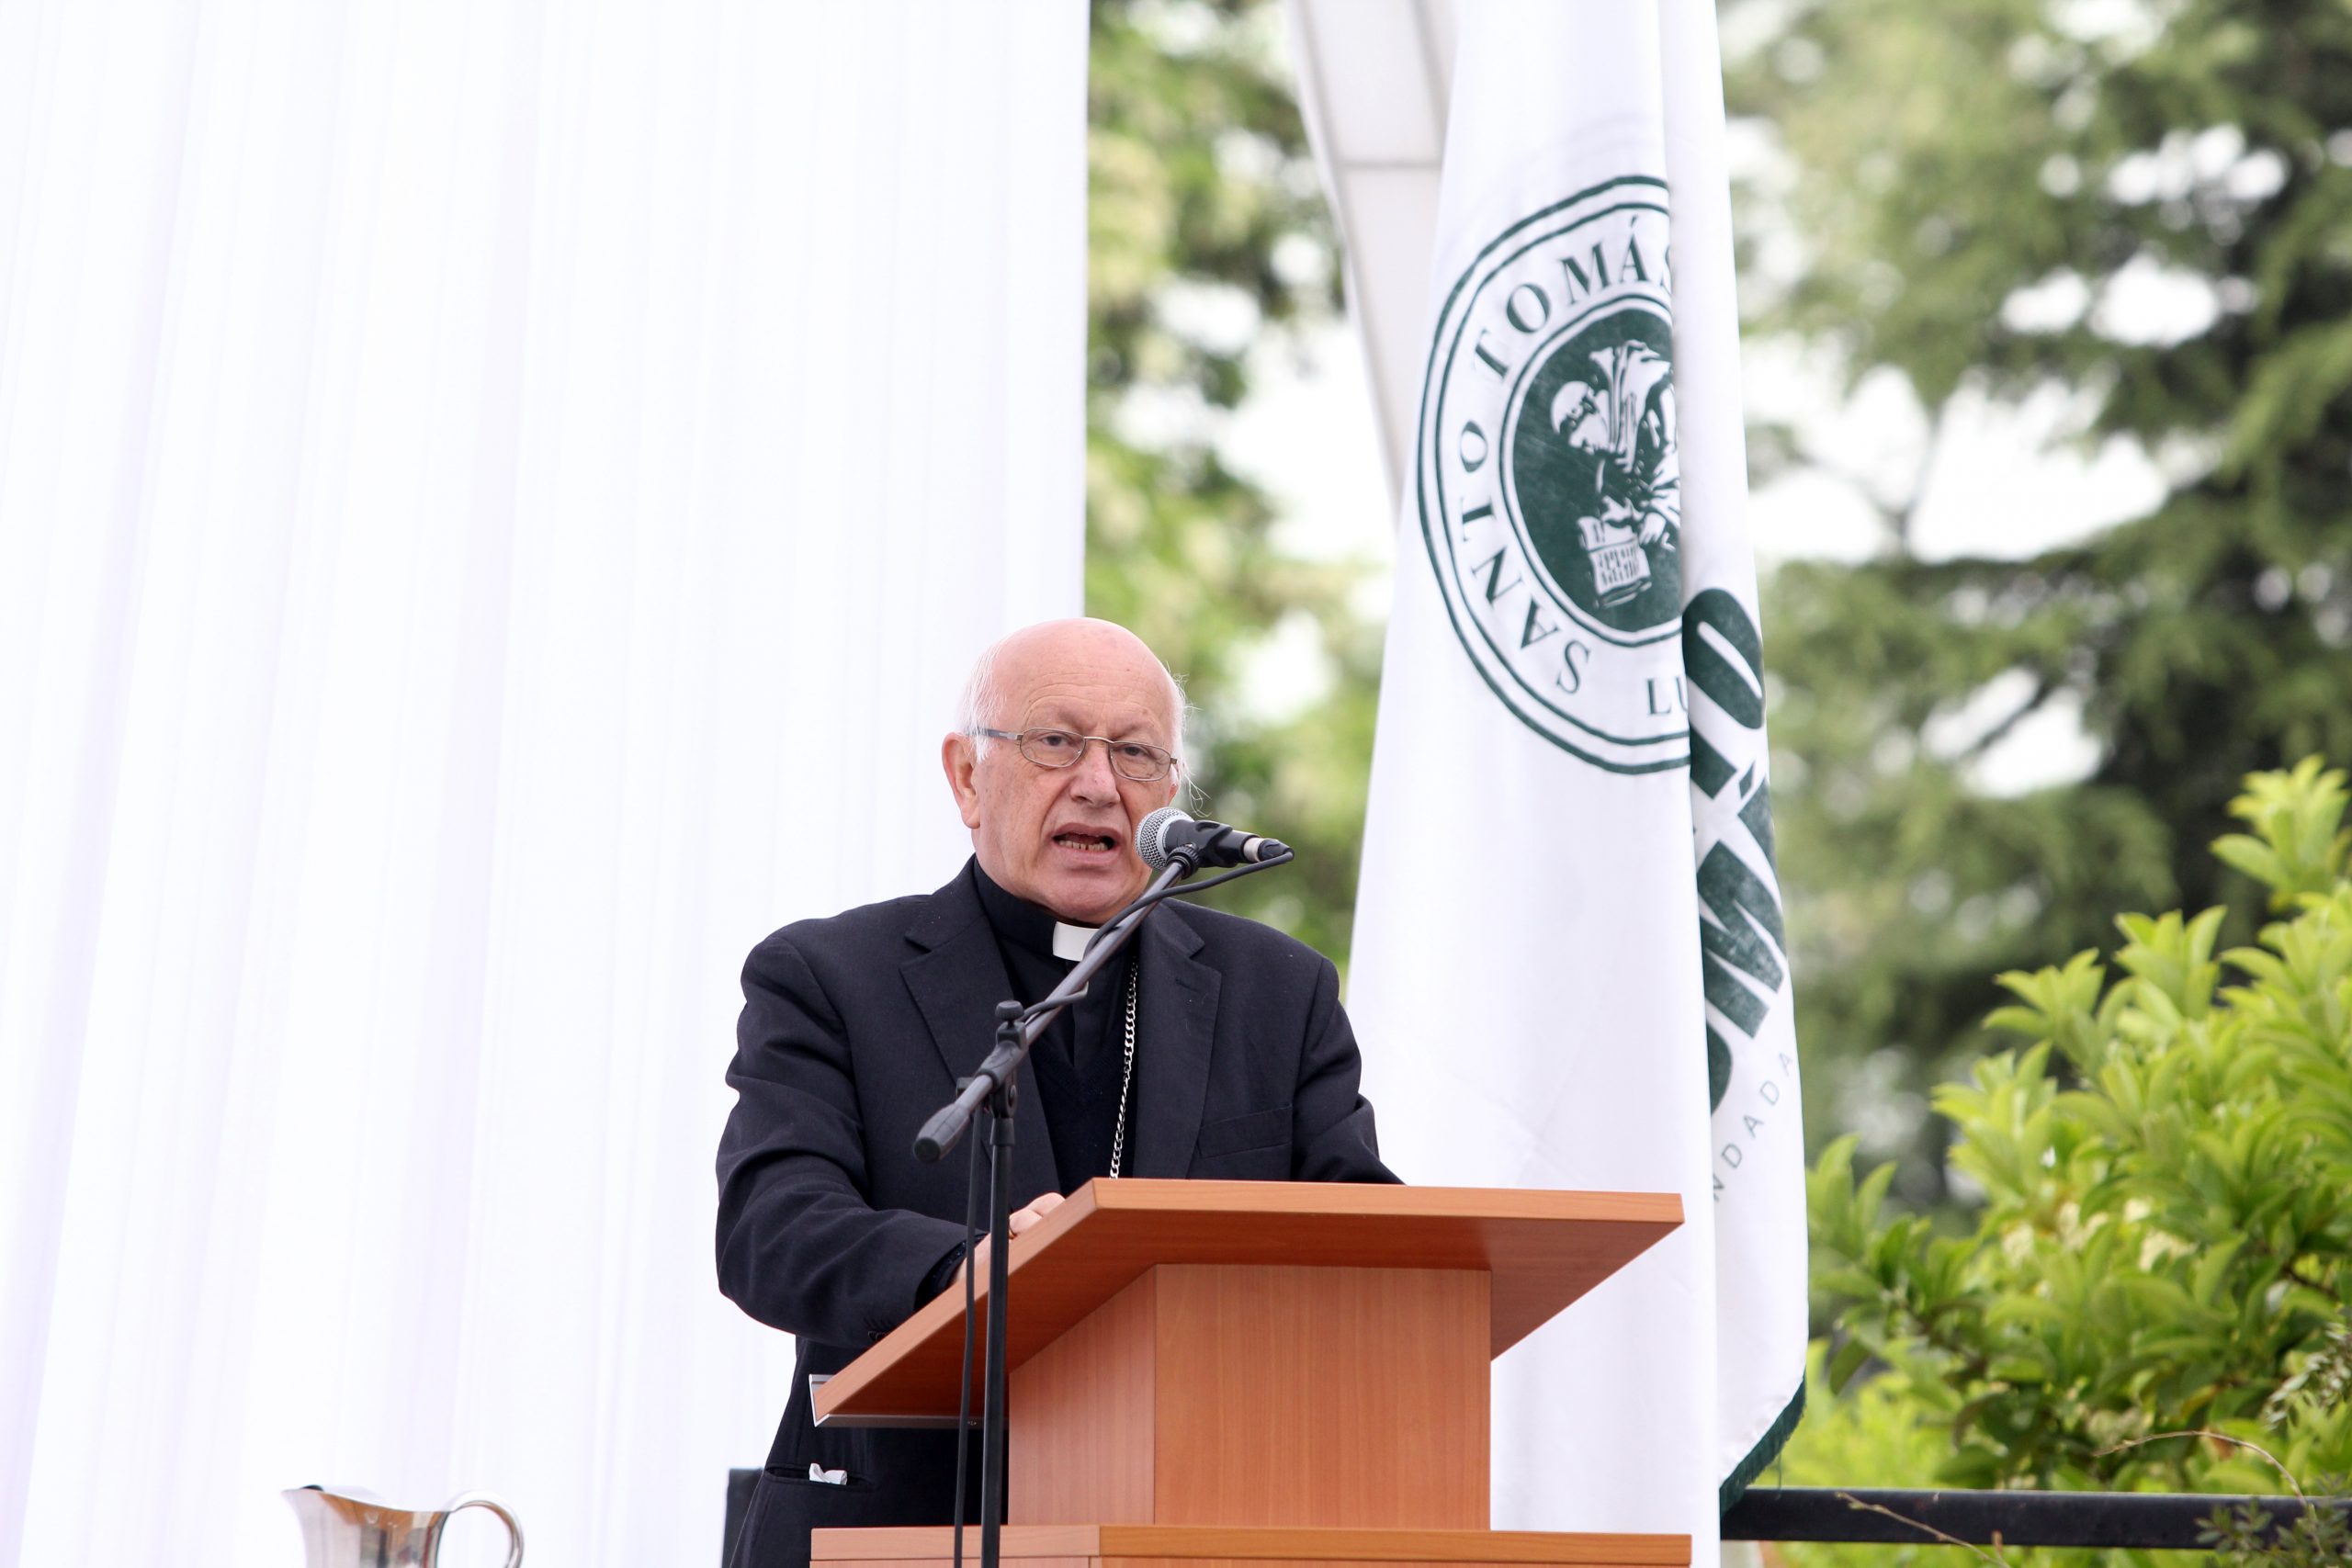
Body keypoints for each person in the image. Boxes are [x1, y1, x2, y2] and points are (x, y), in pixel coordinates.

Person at [716, 616, 1396, 1568]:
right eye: (1054, 742)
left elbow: (1362, 1238)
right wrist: (965, 1272)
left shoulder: (1277, 994)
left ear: (1170, 791)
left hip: (1192, 1526)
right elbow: (771, 1229)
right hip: (901, 1528)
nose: (1097, 782)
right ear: (965, 776)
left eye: (1135, 752)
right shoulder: (831, 975)